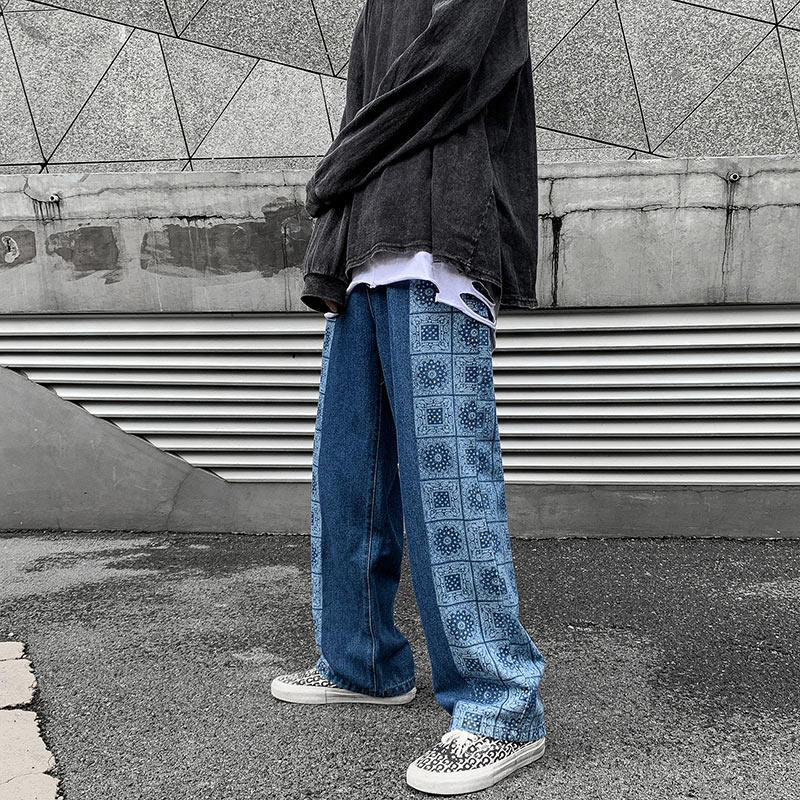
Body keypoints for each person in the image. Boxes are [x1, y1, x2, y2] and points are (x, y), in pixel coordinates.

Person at [271, 0, 546, 794]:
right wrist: (328, 259)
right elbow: (364, 107)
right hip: (364, 253)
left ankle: (501, 706)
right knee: (346, 477)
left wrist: (332, 171)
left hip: (441, 243)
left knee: (448, 485)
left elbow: (446, 69)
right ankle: (362, 664)